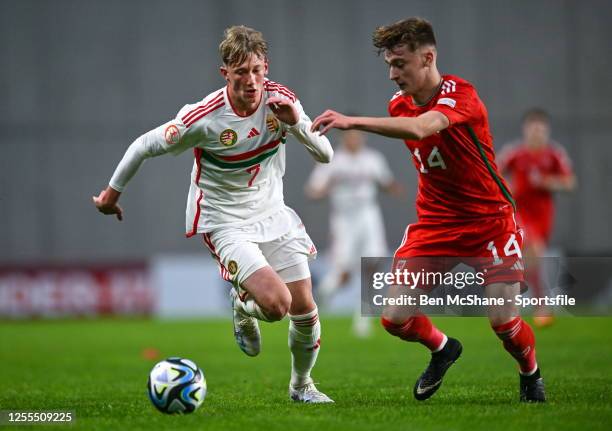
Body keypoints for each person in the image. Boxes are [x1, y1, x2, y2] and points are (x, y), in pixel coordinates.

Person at [92, 26, 334, 403]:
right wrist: (111, 194)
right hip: (224, 221)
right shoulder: (203, 118)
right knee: (276, 306)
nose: (251, 81)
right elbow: (143, 145)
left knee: (305, 307)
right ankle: (243, 304)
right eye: (241, 72)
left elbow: (325, 155)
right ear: (226, 74)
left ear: (266, 67)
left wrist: (296, 123)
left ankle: (302, 386)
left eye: (257, 70)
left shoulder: (280, 100)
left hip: (272, 212)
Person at [311, 17, 545, 402]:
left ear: (428, 57)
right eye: (388, 64)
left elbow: (424, 128)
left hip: (490, 223)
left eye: (399, 63)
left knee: (504, 324)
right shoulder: (397, 105)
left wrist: (351, 121)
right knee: (393, 317)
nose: (392, 74)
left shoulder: (461, 95)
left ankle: (530, 372)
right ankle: (442, 349)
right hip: (435, 225)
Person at [305, 129, 402, 337]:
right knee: (344, 273)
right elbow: (313, 190)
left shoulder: (373, 159)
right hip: (344, 219)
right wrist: (327, 185)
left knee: (372, 263)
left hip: (368, 215)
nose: (355, 139)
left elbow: (386, 182)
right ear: (343, 138)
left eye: (358, 135)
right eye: (351, 135)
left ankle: (362, 319)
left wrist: (392, 188)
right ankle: (319, 298)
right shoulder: (333, 160)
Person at [498, 109, 576, 327]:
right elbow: (495, 172)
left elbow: (570, 183)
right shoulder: (515, 153)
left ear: (547, 131)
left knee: (531, 256)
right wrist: (505, 189)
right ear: (525, 130)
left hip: (542, 215)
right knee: (533, 249)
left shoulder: (554, 155)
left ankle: (533, 301)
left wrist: (547, 181)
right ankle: (538, 304)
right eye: (532, 129)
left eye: (540, 129)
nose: (536, 133)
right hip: (518, 211)